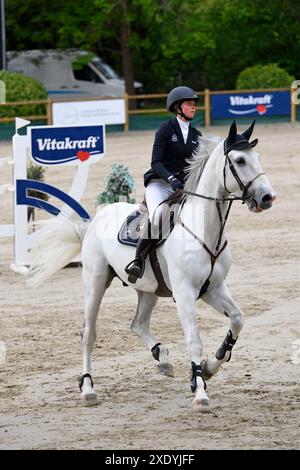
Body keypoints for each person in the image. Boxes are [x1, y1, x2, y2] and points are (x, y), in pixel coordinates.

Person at [125, 86, 201, 282]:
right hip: (160, 183)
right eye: (189, 104)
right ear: (177, 107)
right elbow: (155, 162)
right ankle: (138, 261)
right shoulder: (165, 129)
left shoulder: (196, 135)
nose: (193, 108)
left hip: (182, 186)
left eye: (194, 105)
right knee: (159, 215)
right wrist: (171, 179)